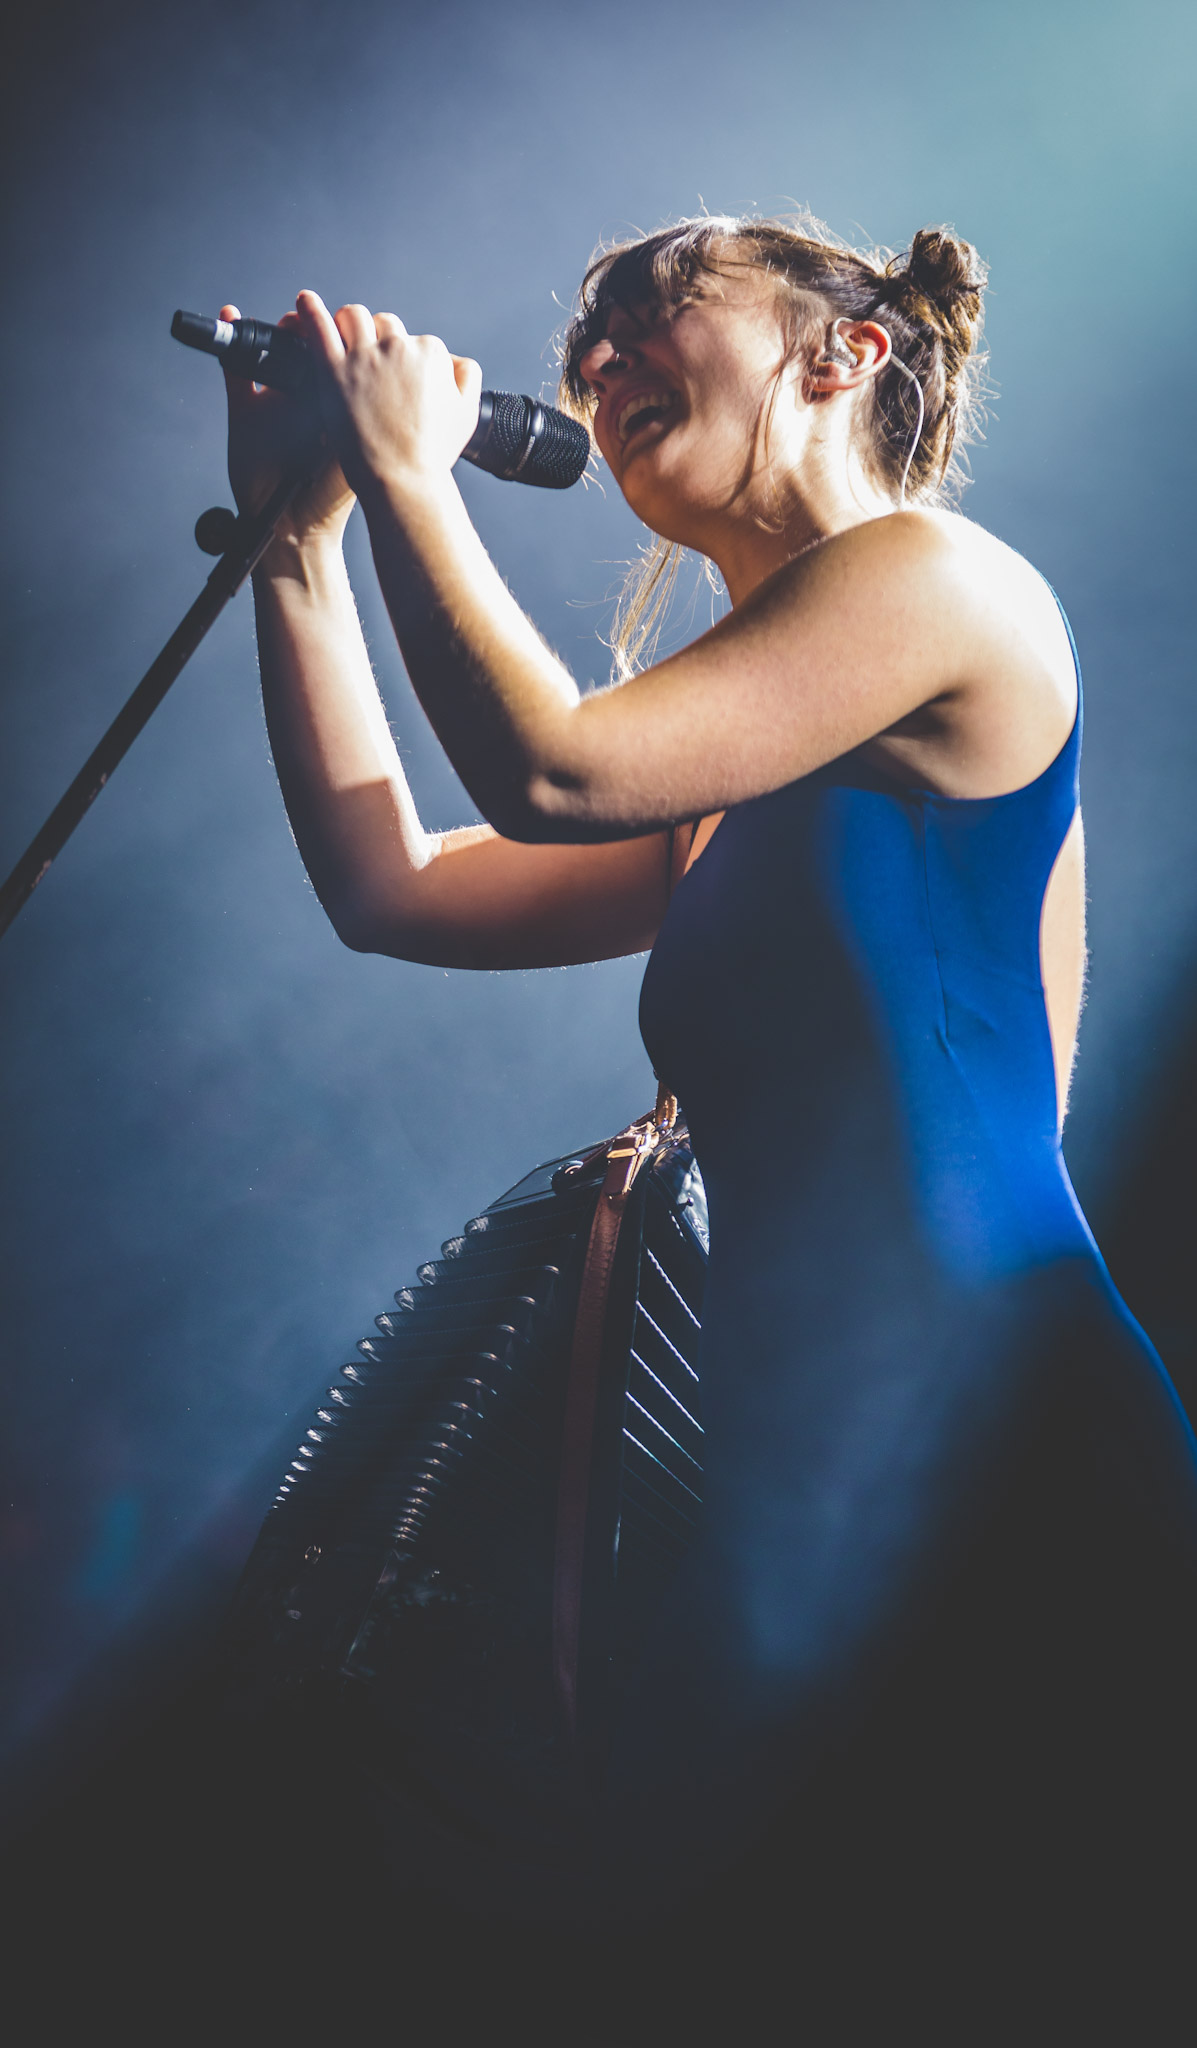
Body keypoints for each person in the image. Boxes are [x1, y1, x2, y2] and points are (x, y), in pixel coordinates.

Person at [223, 214, 1197, 2036]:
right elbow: (391, 883)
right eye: (578, 346)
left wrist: (412, 471)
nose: (593, 364)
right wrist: (302, 537)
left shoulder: (941, 584)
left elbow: (551, 766)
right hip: (801, 1474)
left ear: (844, 354)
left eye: (646, 311)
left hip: (988, 1435)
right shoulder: (738, 774)